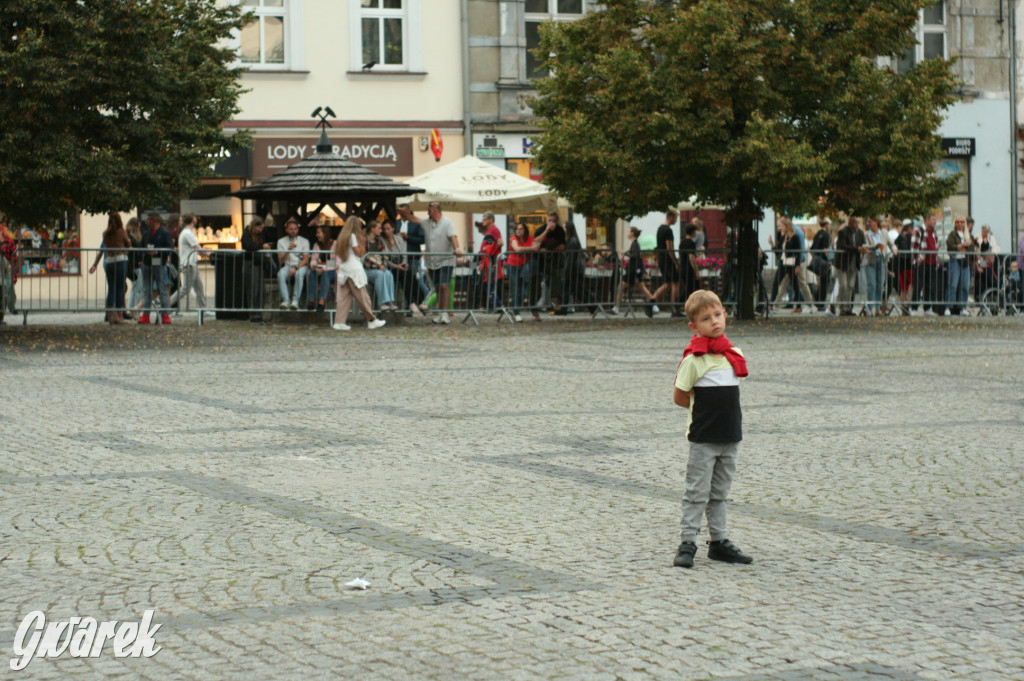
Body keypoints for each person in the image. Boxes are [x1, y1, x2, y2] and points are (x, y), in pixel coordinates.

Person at [672, 289, 752, 568]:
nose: (715, 322)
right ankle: (688, 542)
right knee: (696, 493)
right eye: (706, 318)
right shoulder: (694, 360)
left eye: (718, 315)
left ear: (725, 314)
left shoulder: (734, 354)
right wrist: (703, 415)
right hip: (704, 439)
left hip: (730, 437)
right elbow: (680, 396)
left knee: (719, 494)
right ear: (694, 326)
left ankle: (719, 542)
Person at [407, 202, 463, 324]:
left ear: (435, 210)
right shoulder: (427, 223)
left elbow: (453, 237)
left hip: (446, 260)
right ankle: (441, 312)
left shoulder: (448, 223)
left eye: (429, 210)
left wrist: (457, 249)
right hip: (432, 261)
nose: (428, 212)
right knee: (437, 288)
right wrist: (402, 211)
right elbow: (413, 219)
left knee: (444, 286)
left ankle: (445, 313)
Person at [330, 216, 386, 331]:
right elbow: (359, 252)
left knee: (344, 297)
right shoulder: (353, 236)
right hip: (353, 268)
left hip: (345, 267)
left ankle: (339, 322)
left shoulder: (342, 237)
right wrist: (362, 243)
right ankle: (372, 319)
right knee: (362, 296)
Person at [88, 212, 132, 324]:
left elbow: (103, 248)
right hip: (120, 261)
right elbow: (128, 244)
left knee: (112, 288)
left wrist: (94, 264)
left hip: (109, 262)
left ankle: (110, 315)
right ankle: (119, 314)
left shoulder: (105, 234)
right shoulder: (122, 232)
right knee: (120, 287)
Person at [139, 212, 174, 325]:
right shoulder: (146, 233)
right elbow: (141, 246)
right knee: (147, 291)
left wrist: (158, 251)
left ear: (155, 220)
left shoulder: (165, 233)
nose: (147, 221)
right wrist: (141, 257)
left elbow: (170, 247)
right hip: (148, 264)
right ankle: (146, 315)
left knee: (162, 290)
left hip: (160, 264)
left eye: (149, 219)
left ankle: (165, 315)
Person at [771, 218, 813, 312]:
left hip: (793, 263)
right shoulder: (783, 236)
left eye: (782, 226)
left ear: (787, 226)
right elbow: (779, 251)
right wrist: (773, 244)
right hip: (784, 262)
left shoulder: (796, 236)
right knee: (779, 282)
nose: (780, 227)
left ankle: (804, 305)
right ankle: (773, 304)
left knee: (797, 284)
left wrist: (797, 265)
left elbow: (798, 252)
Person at [169, 213, 207, 312]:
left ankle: (202, 309)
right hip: (189, 264)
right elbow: (198, 248)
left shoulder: (187, 232)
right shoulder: (187, 233)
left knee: (199, 287)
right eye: (195, 217)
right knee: (185, 289)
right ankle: (165, 304)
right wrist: (210, 255)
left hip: (192, 264)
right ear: (193, 220)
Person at [616, 226, 656, 317]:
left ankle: (616, 308)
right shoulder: (634, 244)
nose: (626, 233)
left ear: (632, 233)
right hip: (634, 269)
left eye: (628, 231)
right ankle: (654, 306)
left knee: (621, 286)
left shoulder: (635, 244)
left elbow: (635, 255)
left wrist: (625, 253)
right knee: (641, 288)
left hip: (633, 270)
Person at [533, 211, 568, 314]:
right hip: (539, 260)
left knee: (554, 277)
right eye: (550, 220)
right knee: (537, 281)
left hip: (553, 261)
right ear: (546, 220)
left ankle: (553, 300)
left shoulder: (560, 230)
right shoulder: (540, 229)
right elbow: (535, 242)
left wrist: (549, 250)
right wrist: (546, 231)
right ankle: (534, 304)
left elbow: (563, 246)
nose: (552, 223)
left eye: (554, 221)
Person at [396, 204, 427, 314]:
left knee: (413, 279)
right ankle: (406, 306)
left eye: (404, 211)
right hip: (399, 256)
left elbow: (422, 239)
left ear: (409, 211)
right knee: (405, 281)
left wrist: (408, 237)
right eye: (401, 212)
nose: (402, 214)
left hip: (412, 255)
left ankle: (415, 303)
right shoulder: (396, 223)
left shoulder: (415, 223)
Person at [834, 216, 866, 316]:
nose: (857, 225)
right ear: (850, 223)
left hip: (853, 262)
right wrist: (857, 249)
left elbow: (863, 244)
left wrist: (864, 250)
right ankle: (842, 307)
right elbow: (842, 246)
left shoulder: (860, 233)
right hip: (842, 262)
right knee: (843, 285)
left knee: (851, 286)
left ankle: (848, 307)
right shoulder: (843, 232)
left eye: (858, 223)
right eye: (855, 223)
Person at [364, 220, 398, 311]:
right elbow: (365, 258)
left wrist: (382, 263)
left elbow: (383, 255)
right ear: (372, 229)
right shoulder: (363, 240)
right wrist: (379, 264)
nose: (381, 230)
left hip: (376, 267)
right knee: (380, 274)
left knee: (389, 274)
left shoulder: (379, 241)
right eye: (379, 228)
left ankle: (390, 301)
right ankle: (382, 302)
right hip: (366, 269)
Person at [276, 218, 310, 310]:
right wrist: (288, 250)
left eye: (295, 229)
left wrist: (295, 268)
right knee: (280, 274)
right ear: (286, 230)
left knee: (299, 274)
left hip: (300, 265)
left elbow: (306, 259)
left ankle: (295, 301)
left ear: (298, 230)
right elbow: (280, 261)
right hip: (287, 265)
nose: (293, 231)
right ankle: (286, 300)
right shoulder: (281, 241)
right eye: (291, 229)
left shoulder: (304, 241)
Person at [242, 217, 271, 323]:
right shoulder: (246, 233)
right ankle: (253, 314)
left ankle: (259, 313)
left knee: (260, 290)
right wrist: (261, 246)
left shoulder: (259, 235)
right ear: (254, 226)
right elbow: (248, 246)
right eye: (259, 228)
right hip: (250, 263)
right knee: (252, 289)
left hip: (258, 263)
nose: (261, 230)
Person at [652, 209, 681, 316]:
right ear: (671, 217)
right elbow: (669, 247)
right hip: (668, 258)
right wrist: (675, 261)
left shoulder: (660, 229)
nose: (676, 220)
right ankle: (674, 307)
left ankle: (651, 300)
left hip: (661, 257)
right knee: (675, 282)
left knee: (667, 283)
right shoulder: (668, 230)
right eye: (676, 218)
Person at [945, 215, 975, 316]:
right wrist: (959, 246)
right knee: (953, 284)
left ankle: (962, 308)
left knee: (965, 285)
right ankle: (948, 307)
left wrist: (966, 247)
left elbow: (971, 248)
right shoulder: (952, 234)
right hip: (955, 260)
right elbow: (949, 246)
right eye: (958, 222)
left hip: (965, 262)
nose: (960, 224)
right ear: (955, 223)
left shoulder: (968, 235)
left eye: (962, 222)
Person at [475, 212, 504, 311]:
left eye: (485, 219)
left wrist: (488, 250)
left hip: (490, 262)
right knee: (485, 284)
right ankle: (490, 305)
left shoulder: (494, 230)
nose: (483, 220)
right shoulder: (489, 231)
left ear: (491, 220)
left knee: (489, 284)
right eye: (483, 219)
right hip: (486, 262)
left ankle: (496, 305)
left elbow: (500, 242)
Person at [305, 223, 336, 312]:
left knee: (325, 274)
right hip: (320, 269)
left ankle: (322, 301)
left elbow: (337, 262)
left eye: (318, 233)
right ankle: (311, 300)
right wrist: (316, 267)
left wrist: (324, 268)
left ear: (325, 234)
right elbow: (314, 259)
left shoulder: (335, 244)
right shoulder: (316, 244)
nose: (316, 235)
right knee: (311, 273)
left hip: (332, 270)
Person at [506, 222, 534, 322]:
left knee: (524, 290)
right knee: (515, 289)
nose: (518, 231)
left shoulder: (529, 238)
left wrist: (525, 250)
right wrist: (529, 249)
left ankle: (514, 308)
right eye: (517, 229)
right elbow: (517, 248)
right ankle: (516, 312)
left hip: (524, 266)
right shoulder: (513, 238)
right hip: (512, 265)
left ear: (525, 230)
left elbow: (536, 248)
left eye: (520, 229)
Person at [380, 219, 410, 312]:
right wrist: (396, 266)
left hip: (400, 262)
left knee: (409, 275)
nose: (386, 231)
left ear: (393, 229)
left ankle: (412, 302)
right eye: (384, 229)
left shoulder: (398, 238)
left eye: (388, 229)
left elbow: (404, 252)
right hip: (390, 264)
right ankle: (409, 302)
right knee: (401, 274)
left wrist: (405, 263)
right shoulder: (382, 240)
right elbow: (385, 258)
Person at [919, 213, 942, 315]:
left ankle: (927, 308)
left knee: (929, 286)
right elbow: (915, 245)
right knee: (919, 285)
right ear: (927, 220)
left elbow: (936, 246)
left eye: (935, 220)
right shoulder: (921, 230)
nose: (934, 222)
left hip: (932, 263)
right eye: (933, 220)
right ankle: (914, 308)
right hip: (923, 261)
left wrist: (937, 259)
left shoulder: (934, 232)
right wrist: (916, 259)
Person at [809, 218, 832, 312]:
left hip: (817, 260)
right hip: (823, 261)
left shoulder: (817, 234)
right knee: (824, 283)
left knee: (821, 282)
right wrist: (829, 260)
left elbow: (812, 249)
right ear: (826, 225)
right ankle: (821, 303)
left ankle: (818, 300)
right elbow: (826, 249)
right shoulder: (826, 234)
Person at [893, 220, 916, 315]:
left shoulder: (899, 238)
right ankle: (906, 306)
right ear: (910, 229)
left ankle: (902, 309)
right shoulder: (910, 237)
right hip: (909, 266)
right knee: (912, 287)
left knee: (903, 289)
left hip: (900, 267)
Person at [973, 225, 999, 300]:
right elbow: (975, 249)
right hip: (981, 259)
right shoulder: (977, 237)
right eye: (983, 231)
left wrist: (991, 255)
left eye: (986, 231)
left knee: (989, 271)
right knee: (984, 271)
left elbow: (995, 249)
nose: (985, 232)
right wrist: (979, 257)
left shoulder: (991, 238)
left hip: (988, 259)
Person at [678, 223, 701, 305]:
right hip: (689, 269)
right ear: (693, 232)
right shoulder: (691, 243)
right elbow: (691, 258)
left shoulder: (682, 243)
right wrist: (697, 271)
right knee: (693, 288)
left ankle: (680, 303)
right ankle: (678, 302)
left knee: (690, 288)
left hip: (683, 267)